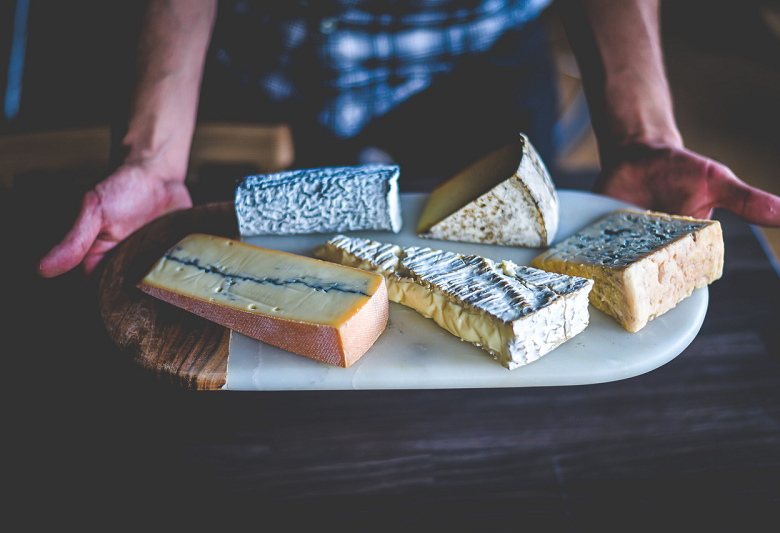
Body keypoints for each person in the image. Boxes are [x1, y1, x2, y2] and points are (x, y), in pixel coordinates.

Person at [37, 0, 780, 279]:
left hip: (478, 50)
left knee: (513, 274)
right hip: (261, 48)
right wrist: (154, 155)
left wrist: (641, 131)